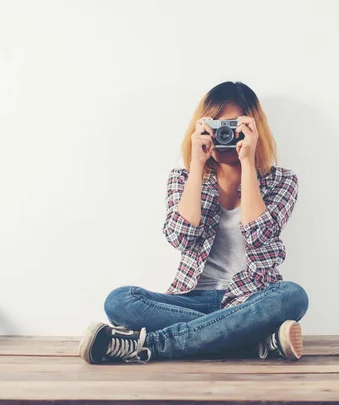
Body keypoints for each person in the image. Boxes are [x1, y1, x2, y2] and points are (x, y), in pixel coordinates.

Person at [78, 81, 308, 364]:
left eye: (233, 127)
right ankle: (252, 339)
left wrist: (248, 163)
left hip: (252, 298)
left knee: (292, 296)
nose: (224, 135)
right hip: (191, 298)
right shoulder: (183, 178)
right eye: (216, 126)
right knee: (119, 301)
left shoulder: (282, 180)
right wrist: (197, 165)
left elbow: (258, 235)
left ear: (253, 129)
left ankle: (148, 345)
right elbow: (180, 238)